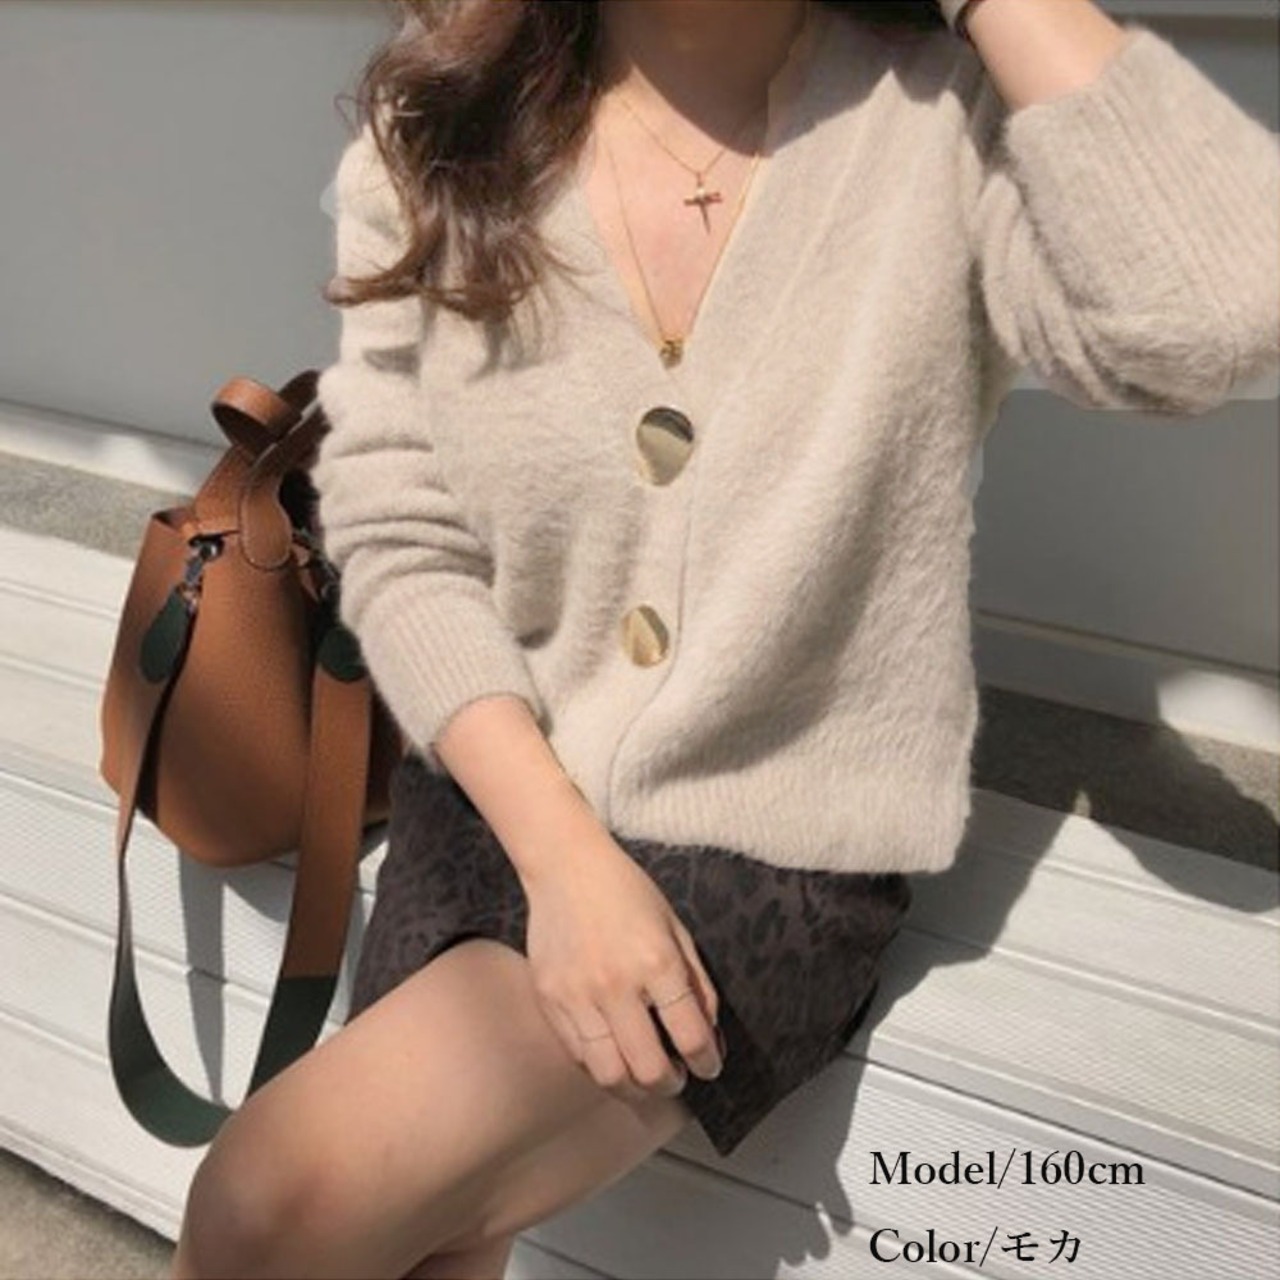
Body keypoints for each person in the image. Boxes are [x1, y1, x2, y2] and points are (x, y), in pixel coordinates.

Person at [170, 0, 1280, 1276]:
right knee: (410, 1239)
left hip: (765, 840)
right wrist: (562, 858)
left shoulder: (940, 123)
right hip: (490, 798)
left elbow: (1226, 310)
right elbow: (398, 528)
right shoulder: (437, 134)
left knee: (269, 1203)